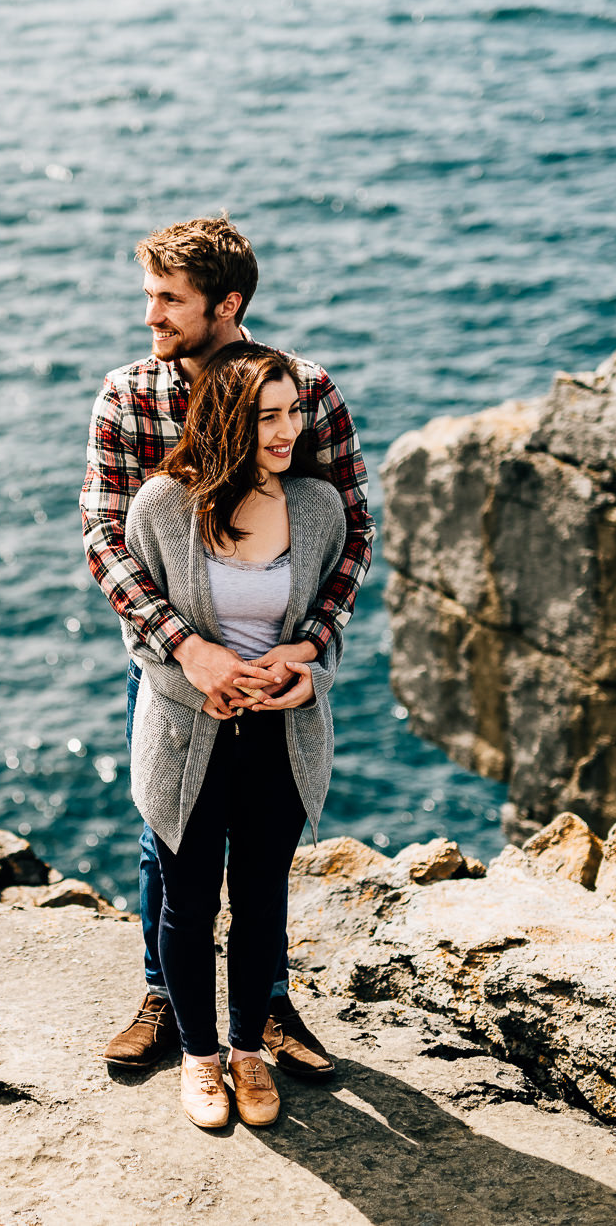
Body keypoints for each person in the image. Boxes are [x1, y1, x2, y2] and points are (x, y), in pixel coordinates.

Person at [79, 217, 374, 1076]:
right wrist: (184, 650)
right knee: (165, 830)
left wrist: (312, 649)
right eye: (150, 297)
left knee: (264, 851)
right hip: (172, 668)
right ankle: (167, 999)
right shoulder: (130, 394)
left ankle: (266, 1005)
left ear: (227, 304)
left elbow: (349, 525)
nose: (151, 318)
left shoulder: (304, 389)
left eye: (169, 300)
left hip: (279, 655)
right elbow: (105, 537)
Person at [119, 346, 347, 1127]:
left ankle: (249, 1053)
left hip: (283, 737)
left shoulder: (319, 507)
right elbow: (142, 637)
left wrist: (305, 666)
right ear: (224, 423)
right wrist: (201, 682)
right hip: (188, 737)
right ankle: (198, 1059)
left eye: (294, 413)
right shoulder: (159, 507)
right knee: (186, 903)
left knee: (259, 902)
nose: (289, 431)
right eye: (267, 417)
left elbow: (330, 622)